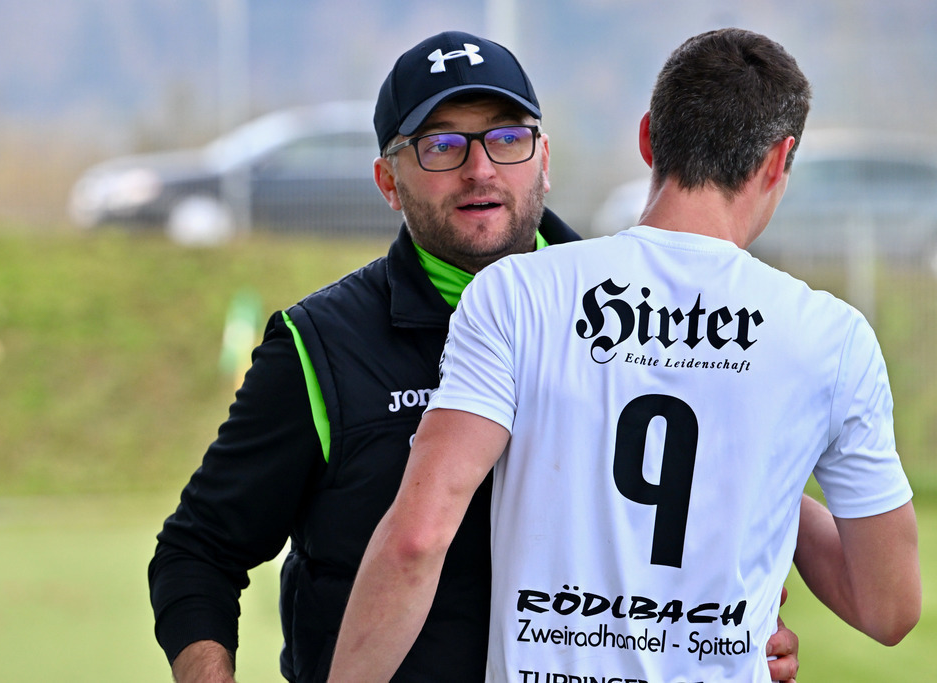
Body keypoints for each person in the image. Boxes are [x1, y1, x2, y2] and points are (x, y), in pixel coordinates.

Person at [149, 30, 800, 683]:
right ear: (387, 180)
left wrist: (738, 636)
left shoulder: (649, 323)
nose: (480, 168)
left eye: (506, 137)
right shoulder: (321, 346)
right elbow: (197, 550)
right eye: (440, 145)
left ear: (544, 157)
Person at [327, 28, 921, 683]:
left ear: (647, 139)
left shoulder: (518, 293)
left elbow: (416, 540)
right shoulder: (831, 338)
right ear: (779, 160)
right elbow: (889, 606)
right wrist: (768, 484)